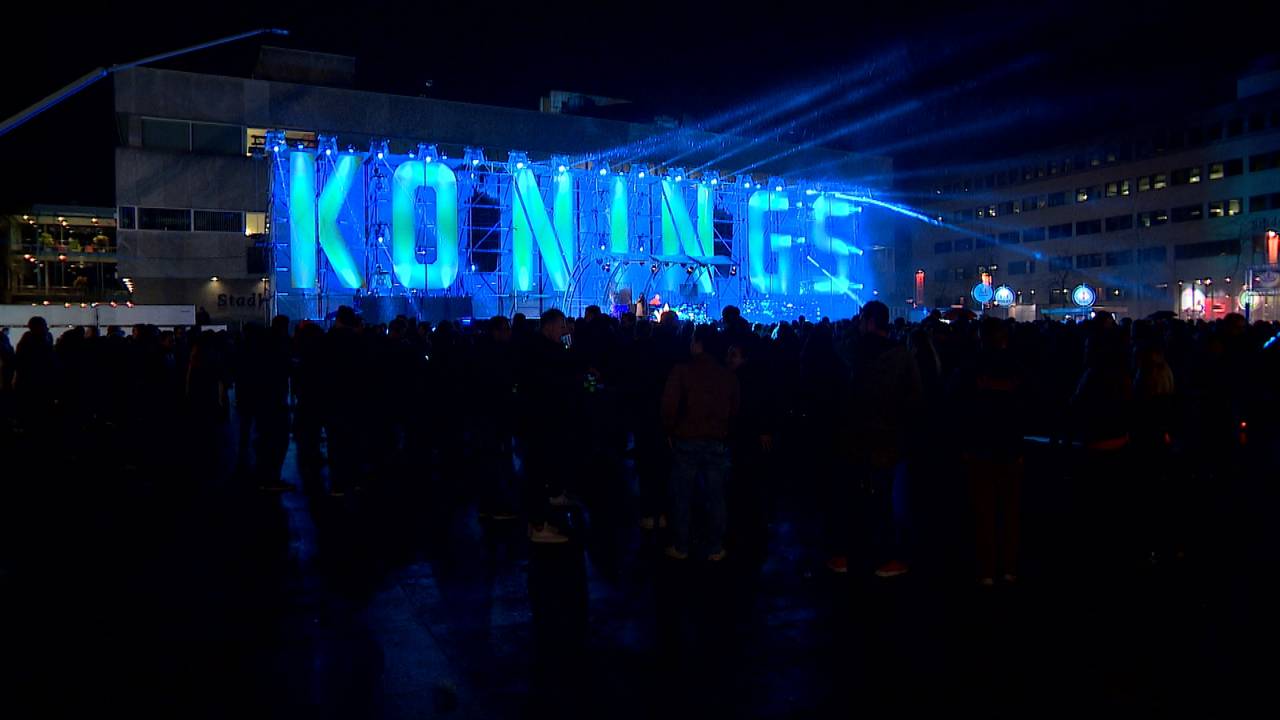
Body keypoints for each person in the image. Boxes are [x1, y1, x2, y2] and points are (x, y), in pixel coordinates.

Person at [841, 301, 921, 578]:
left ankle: (869, 553)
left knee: (863, 498)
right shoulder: (902, 355)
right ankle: (887, 556)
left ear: (870, 320)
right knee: (885, 497)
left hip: (862, 436)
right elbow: (914, 397)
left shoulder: (855, 351)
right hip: (889, 438)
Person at [661, 324, 740, 561]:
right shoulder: (727, 375)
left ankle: (681, 546)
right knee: (716, 496)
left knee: (683, 495)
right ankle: (715, 546)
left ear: (698, 344)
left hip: (686, 439)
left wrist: (669, 431)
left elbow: (668, 406)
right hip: (716, 440)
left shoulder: (682, 371)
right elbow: (735, 408)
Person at [518, 308, 580, 543]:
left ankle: (542, 513)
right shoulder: (547, 353)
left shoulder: (536, 349)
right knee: (537, 468)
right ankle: (538, 524)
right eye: (561, 325)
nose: (564, 330)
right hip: (543, 418)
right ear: (549, 326)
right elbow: (559, 379)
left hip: (539, 417)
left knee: (539, 466)